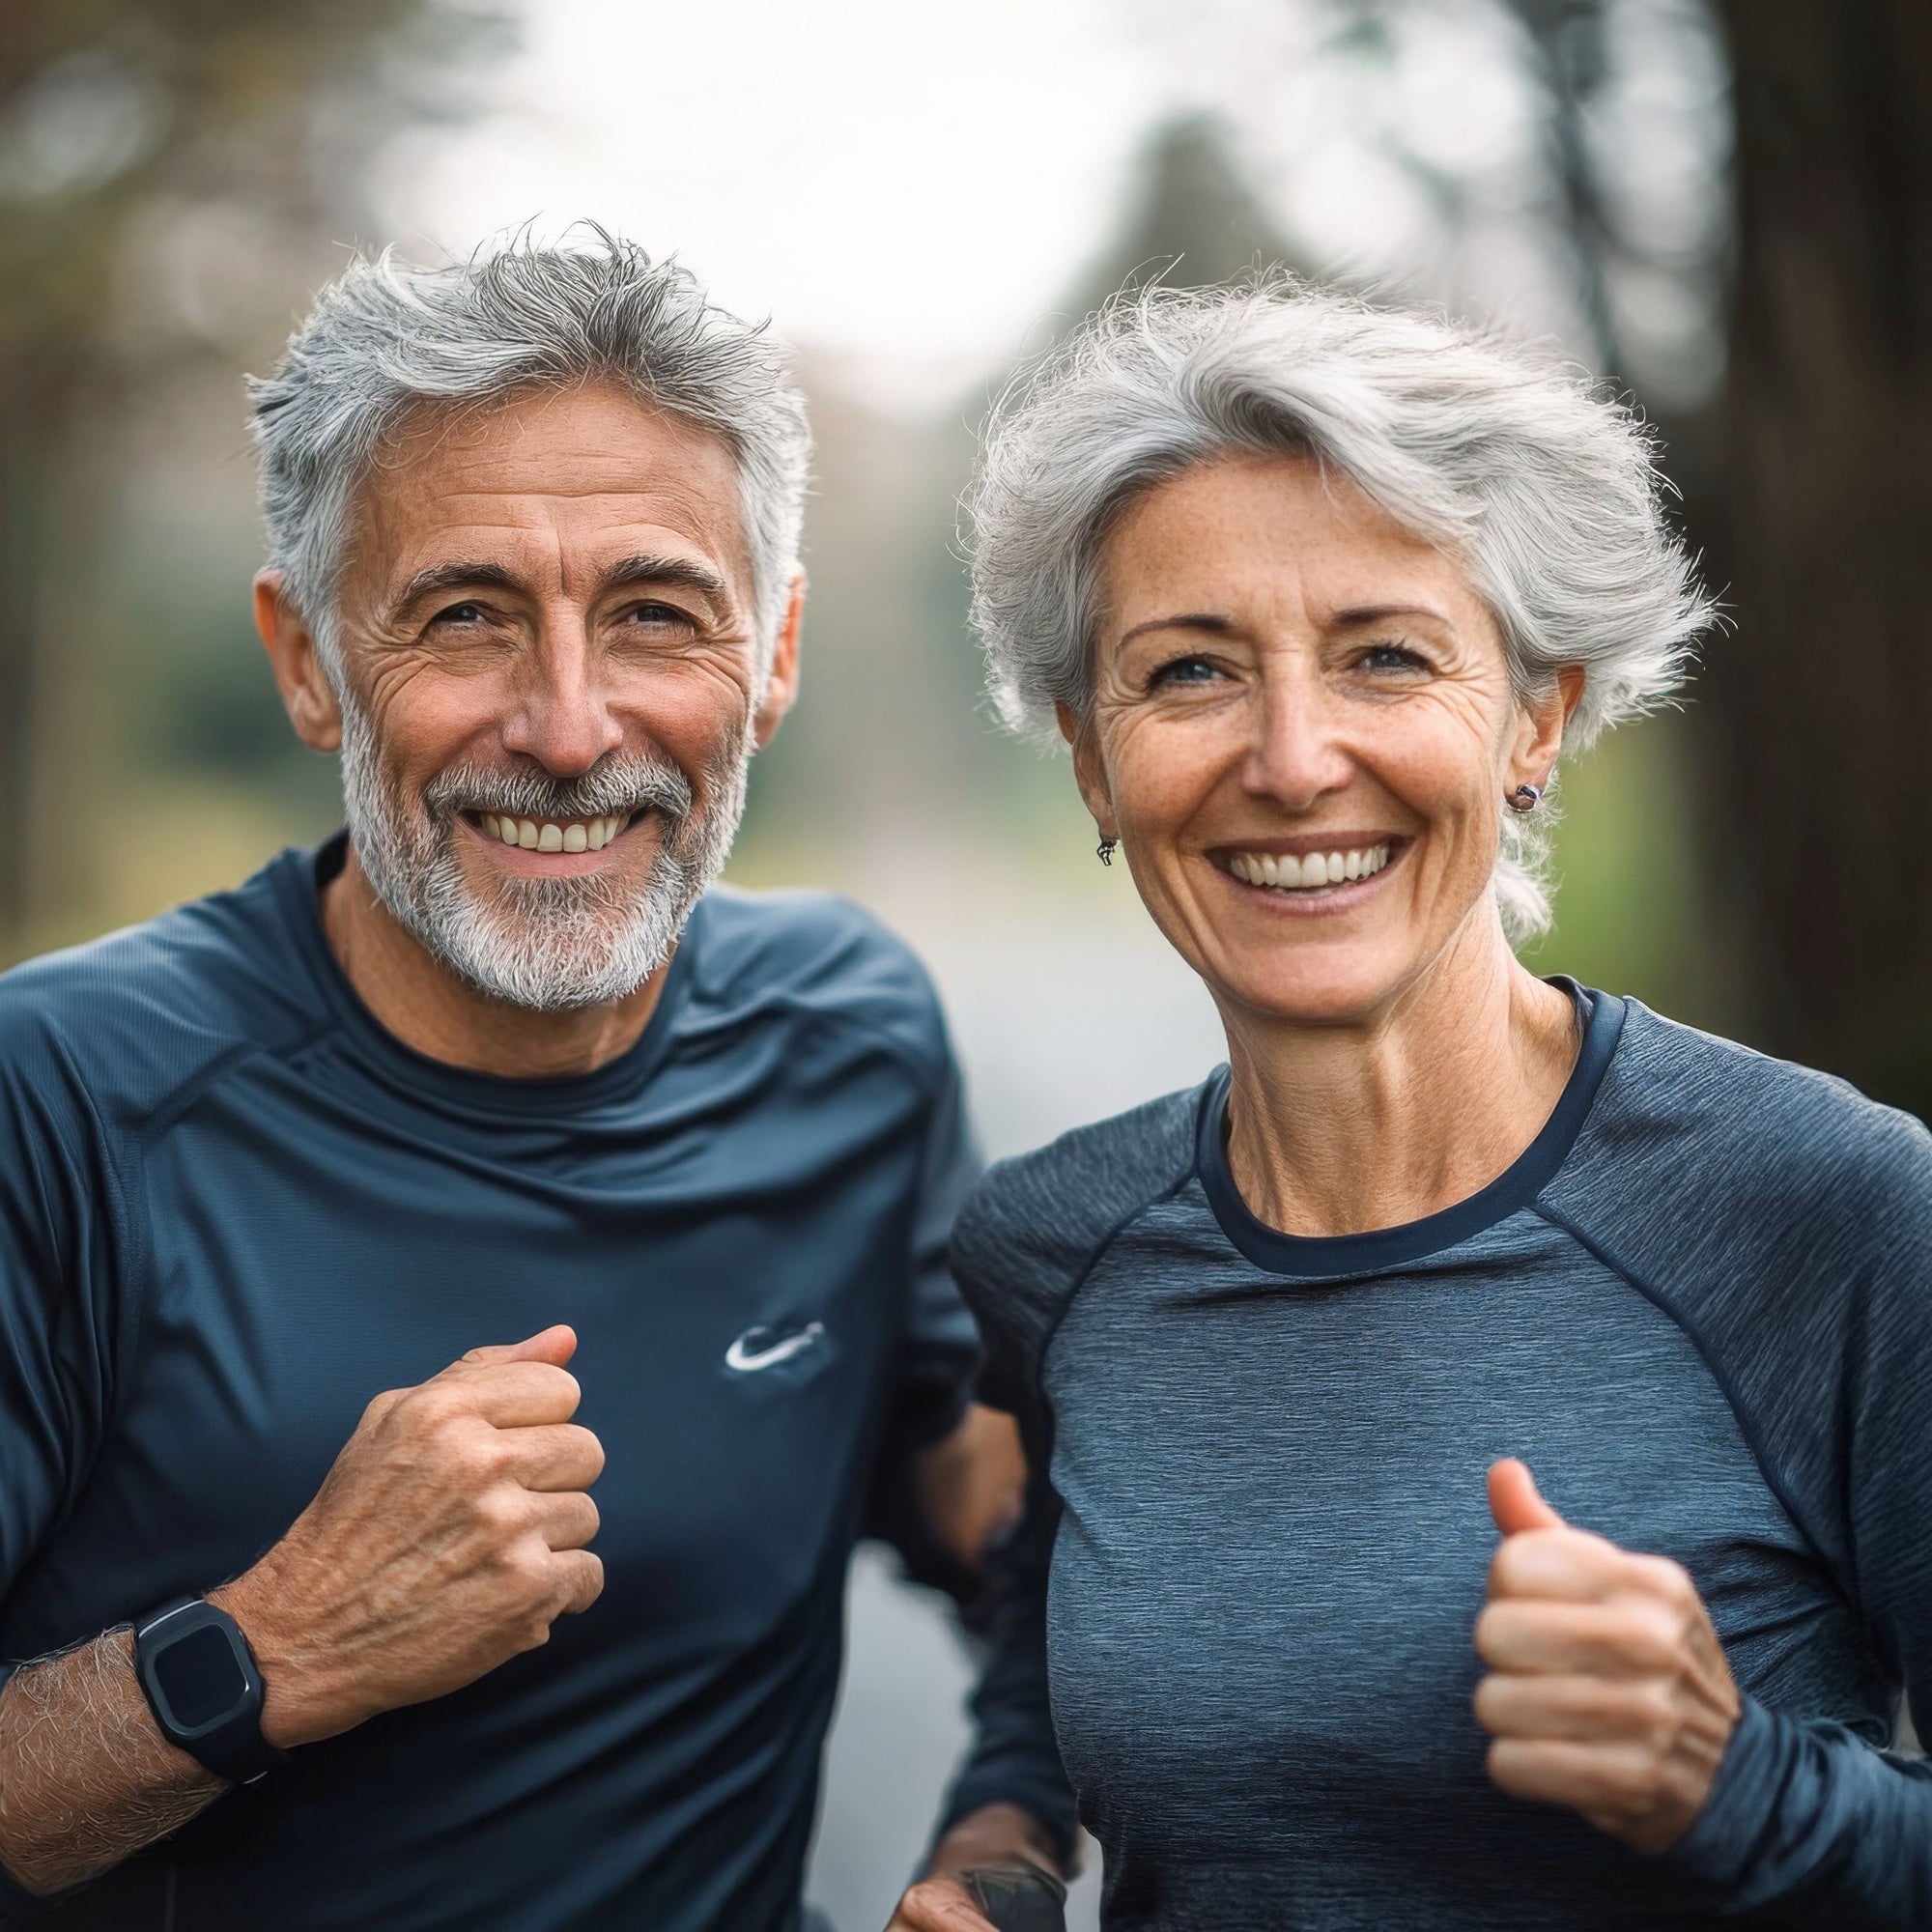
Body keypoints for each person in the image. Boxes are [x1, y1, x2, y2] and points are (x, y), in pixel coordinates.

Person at [0, 232, 1028, 1931]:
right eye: (466, 616)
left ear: (770, 657)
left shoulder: (855, 1041)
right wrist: (269, 1650)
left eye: (655, 616)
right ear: (309, 656)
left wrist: (1008, 1842)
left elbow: (1033, 1553)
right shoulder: (63, 1099)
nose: (565, 728)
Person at [892, 279, 1932, 1930]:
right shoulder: (1054, 1251)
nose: (1295, 758)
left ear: (1536, 715)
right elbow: (1047, 1678)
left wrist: (1734, 1785)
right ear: (1094, 762)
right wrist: (992, 1863)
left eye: (1385, 655)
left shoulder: (1831, 1212)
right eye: (1190, 673)